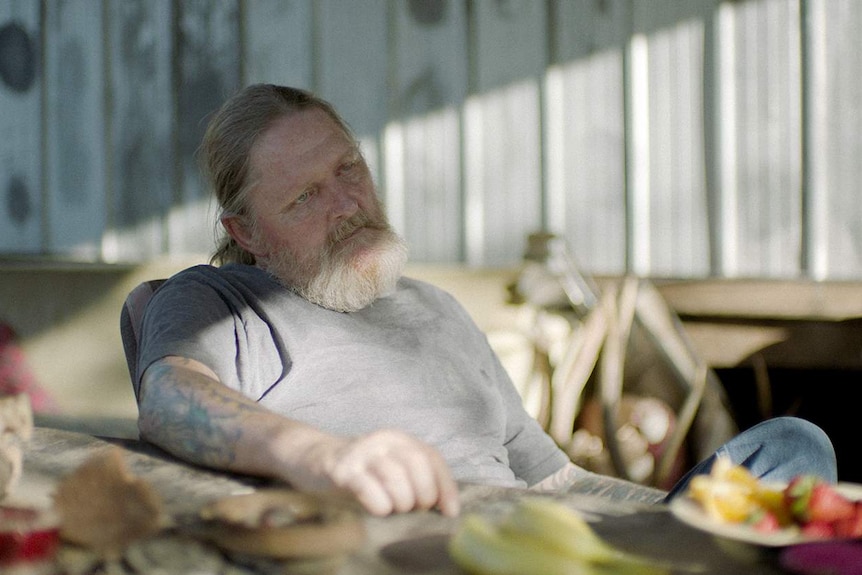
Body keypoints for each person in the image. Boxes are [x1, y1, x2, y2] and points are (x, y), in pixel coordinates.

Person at [133, 84, 837, 518]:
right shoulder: (220, 299)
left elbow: (555, 479)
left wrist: (663, 515)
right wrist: (318, 456)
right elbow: (171, 393)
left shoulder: (436, 309)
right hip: (412, 547)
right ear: (245, 232)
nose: (348, 203)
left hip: (541, 537)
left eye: (349, 168)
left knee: (793, 448)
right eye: (306, 195)